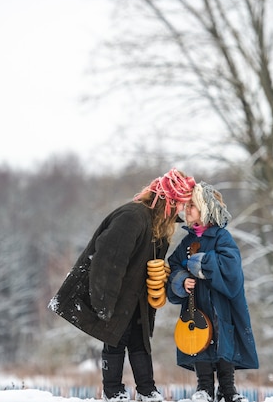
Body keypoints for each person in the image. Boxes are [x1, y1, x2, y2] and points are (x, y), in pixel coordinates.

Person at [48, 168, 196, 402]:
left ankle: (148, 391)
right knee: (115, 339)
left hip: (135, 296)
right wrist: (105, 303)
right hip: (113, 293)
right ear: (169, 200)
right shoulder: (132, 217)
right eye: (181, 204)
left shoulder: (159, 225)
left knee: (140, 341)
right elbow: (107, 261)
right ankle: (113, 392)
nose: (183, 210)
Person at [167, 182, 259, 402]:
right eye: (186, 205)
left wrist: (203, 263)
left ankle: (228, 389)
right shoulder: (187, 241)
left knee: (223, 340)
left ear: (206, 209)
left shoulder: (221, 237)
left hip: (220, 305)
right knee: (198, 341)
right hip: (196, 304)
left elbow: (231, 265)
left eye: (193, 206)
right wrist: (181, 279)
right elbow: (174, 265)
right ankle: (205, 387)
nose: (187, 210)